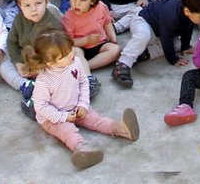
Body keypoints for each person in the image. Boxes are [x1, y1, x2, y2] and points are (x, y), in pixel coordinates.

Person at [24, 29, 141, 169]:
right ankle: (82, 148)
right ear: (50, 63)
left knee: (95, 118)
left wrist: (83, 104)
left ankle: (121, 128)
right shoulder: (44, 81)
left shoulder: (76, 63)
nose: (71, 54)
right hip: (54, 117)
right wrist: (64, 116)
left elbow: (83, 83)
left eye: (70, 49)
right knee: (67, 130)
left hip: (76, 107)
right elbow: (41, 108)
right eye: (65, 55)